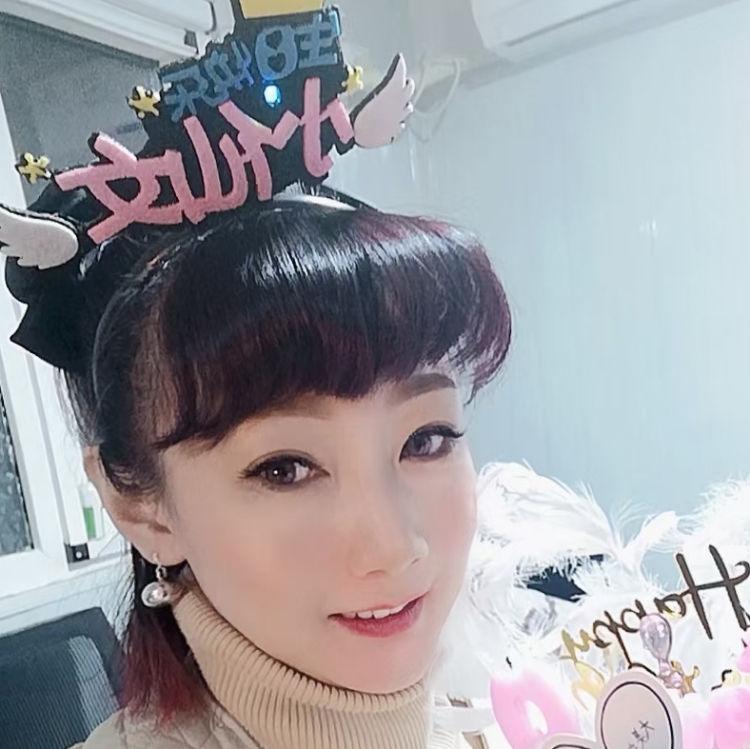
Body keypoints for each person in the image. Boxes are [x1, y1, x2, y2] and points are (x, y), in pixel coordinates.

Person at [0, 5, 512, 748]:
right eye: (285, 467)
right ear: (141, 509)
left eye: (427, 438)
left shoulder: (507, 709)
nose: (396, 547)